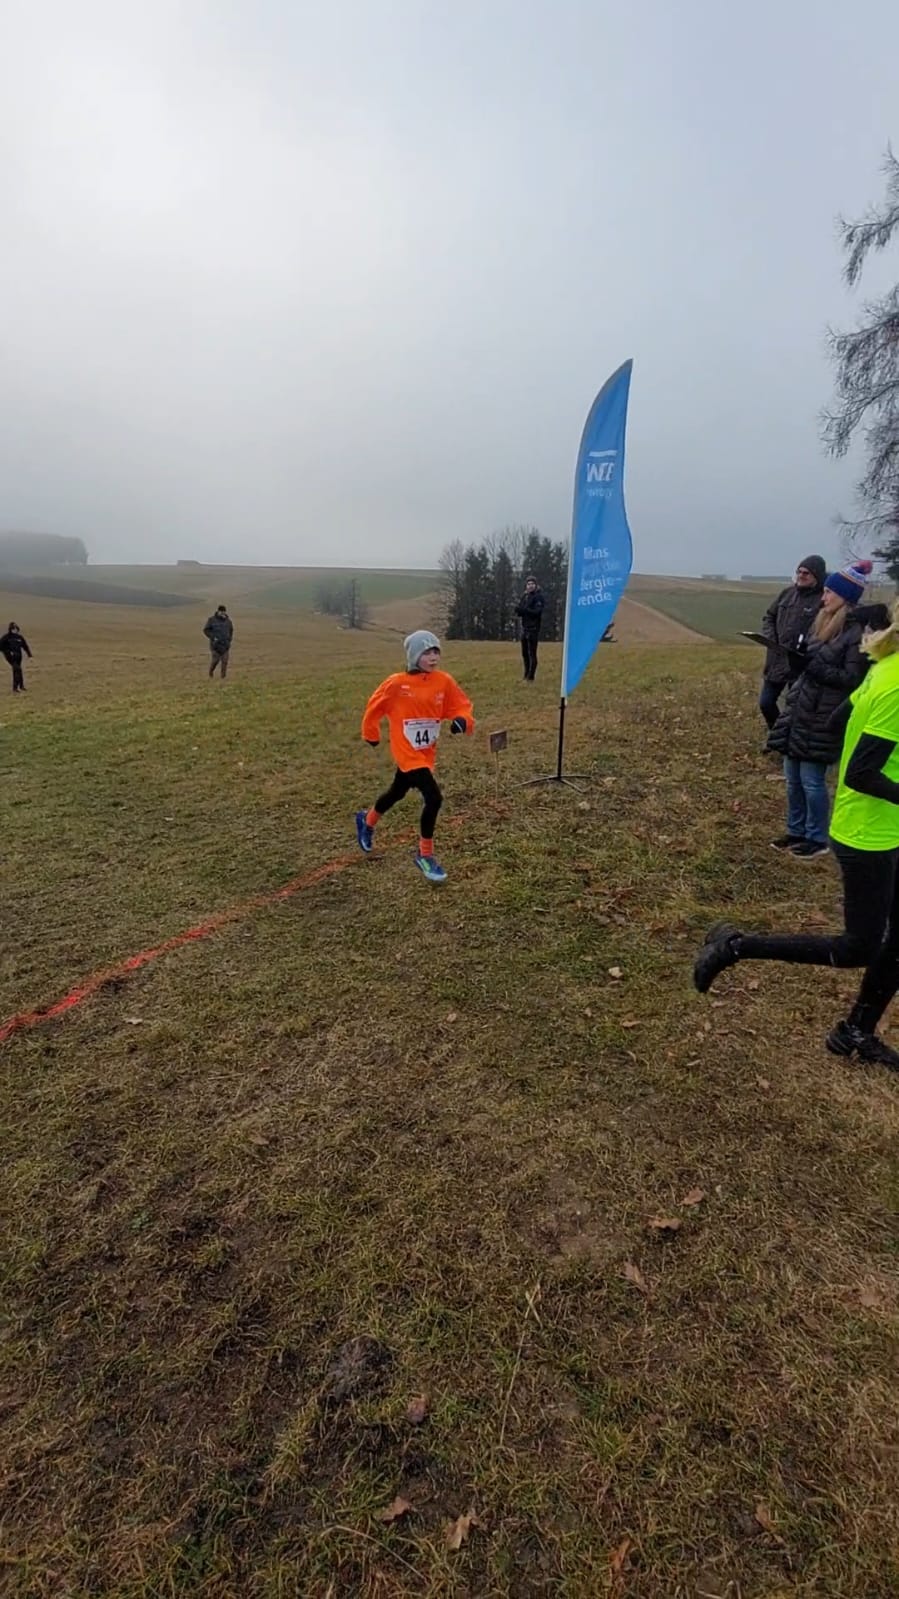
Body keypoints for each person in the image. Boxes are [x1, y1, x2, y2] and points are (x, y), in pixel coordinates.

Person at [694, 598, 899, 1072]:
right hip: (866, 834)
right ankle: (735, 946)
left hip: (886, 826)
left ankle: (856, 1030)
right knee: (860, 946)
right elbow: (861, 774)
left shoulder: (886, 667)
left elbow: (838, 719)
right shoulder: (895, 685)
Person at [766, 560, 871, 859]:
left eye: (829, 592)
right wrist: (798, 660)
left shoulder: (855, 633)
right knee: (793, 778)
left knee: (812, 781)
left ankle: (817, 837)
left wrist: (811, 666)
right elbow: (812, 665)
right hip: (801, 707)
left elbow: (852, 679)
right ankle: (795, 831)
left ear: (845, 597)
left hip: (824, 714)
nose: (823, 598)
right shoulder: (822, 624)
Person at [356, 629, 475, 883]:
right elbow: (374, 707)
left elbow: (461, 705)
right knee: (434, 798)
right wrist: (371, 733)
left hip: (425, 752)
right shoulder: (396, 684)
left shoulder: (443, 681)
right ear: (413, 656)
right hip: (406, 752)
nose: (433, 657)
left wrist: (462, 721)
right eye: (427, 652)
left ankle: (367, 820)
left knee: (396, 792)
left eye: (436, 651)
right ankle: (425, 855)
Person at [758, 556, 826, 729]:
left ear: (817, 576)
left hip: (801, 665)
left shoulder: (823, 600)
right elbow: (769, 617)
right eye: (799, 572)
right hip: (776, 661)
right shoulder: (786, 594)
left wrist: (808, 648)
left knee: (795, 709)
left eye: (806, 573)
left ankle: (786, 738)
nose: (801, 576)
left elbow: (824, 629)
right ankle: (775, 732)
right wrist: (771, 639)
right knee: (766, 703)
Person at [515, 576, 545, 681]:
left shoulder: (538, 597)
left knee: (532, 653)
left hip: (533, 628)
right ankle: (526, 674)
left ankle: (531, 676)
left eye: (532, 584)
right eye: (528, 584)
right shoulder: (525, 596)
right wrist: (518, 610)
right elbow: (521, 610)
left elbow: (537, 612)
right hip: (525, 627)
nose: (530, 586)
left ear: (536, 585)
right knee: (524, 653)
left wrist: (525, 610)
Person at [0, 622, 32, 693]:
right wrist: (8, 652)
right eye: (13, 629)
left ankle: (21, 686)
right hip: (11, 658)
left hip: (19, 657)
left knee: (17, 671)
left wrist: (30, 656)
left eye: (16, 629)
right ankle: (15, 688)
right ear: (11, 629)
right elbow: (1, 646)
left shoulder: (19, 637)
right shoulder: (6, 637)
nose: (15, 630)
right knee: (18, 670)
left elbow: (25, 646)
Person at [204, 605, 233, 678]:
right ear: (218, 611)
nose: (222, 613)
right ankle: (211, 672)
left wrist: (229, 640)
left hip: (225, 645)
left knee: (225, 662)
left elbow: (231, 631)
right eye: (221, 612)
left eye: (224, 612)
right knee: (215, 661)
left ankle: (223, 677)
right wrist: (213, 637)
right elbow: (206, 630)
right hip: (215, 645)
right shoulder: (211, 620)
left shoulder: (228, 621)